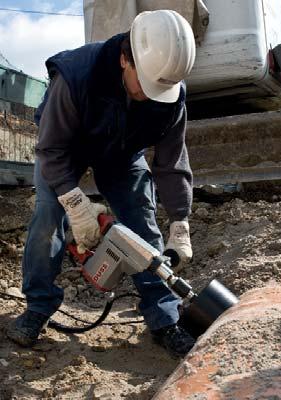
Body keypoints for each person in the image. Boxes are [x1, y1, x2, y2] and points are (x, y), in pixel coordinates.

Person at [6, 10, 196, 358]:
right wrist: (76, 205)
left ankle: (164, 316)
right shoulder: (77, 75)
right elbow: (50, 149)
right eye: (147, 84)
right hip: (66, 150)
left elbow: (171, 162)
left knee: (142, 222)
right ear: (126, 58)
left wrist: (181, 222)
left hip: (122, 154)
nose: (154, 94)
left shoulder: (170, 93)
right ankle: (38, 307)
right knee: (49, 217)